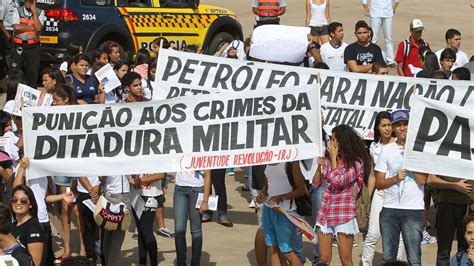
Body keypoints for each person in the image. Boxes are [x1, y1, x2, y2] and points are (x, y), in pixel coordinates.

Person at [375, 109, 428, 265]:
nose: (402, 128)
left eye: (405, 124)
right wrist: (395, 178)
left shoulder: (419, 149)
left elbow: (423, 180)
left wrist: (409, 157)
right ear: (393, 128)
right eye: (398, 125)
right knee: (389, 259)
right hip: (389, 209)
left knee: (414, 259)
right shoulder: (386, 150)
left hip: (413, 209)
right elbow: (379, 183)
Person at [312, 125, 369, 265]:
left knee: (345, 259)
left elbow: (338, 181)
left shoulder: (357, 163)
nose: (330, 142)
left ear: (343, 141)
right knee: (323, 259)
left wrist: (332, 158)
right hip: (325, 213)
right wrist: (319, 167)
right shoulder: (328, 160)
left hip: (343, 214)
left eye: (333, 139)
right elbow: (315, 183)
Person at [361, 111, 405, 266]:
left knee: (396, 235)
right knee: (372, 234)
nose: (387, 128)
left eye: (389, 125)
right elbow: (372, 174)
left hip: (397, 194)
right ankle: (366, 263)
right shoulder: (374, 146)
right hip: (380, 194)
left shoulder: (400, 145)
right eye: (383, 125)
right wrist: (368, 197)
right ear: (377, 128)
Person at [255, 162, 306, 266]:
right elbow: (267, 183)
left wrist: (282, 197)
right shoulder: (267, 163)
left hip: (286, 212)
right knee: (272, 248)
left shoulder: (291, 164)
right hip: (269, 209)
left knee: (286, 251)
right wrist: (263, 193)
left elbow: (301, 190)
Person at [427, 169, 474, 264]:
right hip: (446, 206)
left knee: (467, 249)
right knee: (443, 251)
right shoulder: (444, 156)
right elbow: (431, 180)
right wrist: (455, 186)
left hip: (469, 207)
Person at [173, 170, 211, 266]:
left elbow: (208, 175)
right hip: (179, 189)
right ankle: (181, 263)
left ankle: (195, 263)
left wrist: (205, 200)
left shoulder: (204, 154)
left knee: (196, 230)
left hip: (197, 189)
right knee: (179, 230)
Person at [129, 172, 166, 266]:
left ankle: (154, 263)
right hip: (135, 195)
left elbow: (160, 174)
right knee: (140, 231)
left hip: (151, 195)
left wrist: (138, 180)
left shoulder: (155, 157)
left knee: (147, 231)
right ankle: (142, 262)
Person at [10, 0, 45, 87]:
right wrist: (32, 27)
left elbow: (39, 28)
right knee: (15, 70)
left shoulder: (40, 12)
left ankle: (31, 92)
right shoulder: (17, 10)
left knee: (32, 72)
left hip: (33, 47)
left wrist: (34, 13)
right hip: (19, 46)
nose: (27, 2)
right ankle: (14, 91)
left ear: (35, 2)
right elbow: (16, 27)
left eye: (30, 1)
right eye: (26, 0)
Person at [9, 184, 44, 266]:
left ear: (30, 204)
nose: (18, 203)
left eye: (23, 200)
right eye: (14, 200)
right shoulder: (10, 226)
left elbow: (35, 262)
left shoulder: (34, 227)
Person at [100, 175, 131, 266]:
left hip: (113, 193)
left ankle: (107, 262)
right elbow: (100, 176)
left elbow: (100, 176)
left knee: (109, 234)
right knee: (116, 236)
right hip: (118, 194)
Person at [361, 0, 399, 67]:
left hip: (387, 13)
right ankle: (371, 57)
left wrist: (394, 7)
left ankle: (390, 60)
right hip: (375, 13)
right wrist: (365, 7)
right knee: (373, 38)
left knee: (388, 38)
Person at [0, 0, 19, 79]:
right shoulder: (4, 2)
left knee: (13, 56)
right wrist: (7, 35)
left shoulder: (16, 2)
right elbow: (0, 21)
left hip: (16, 32)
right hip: (7, 31)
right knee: (6, 58)